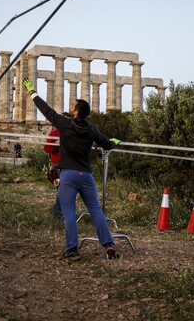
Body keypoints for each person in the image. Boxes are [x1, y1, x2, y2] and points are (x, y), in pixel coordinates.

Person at [22, 78, 121, 261]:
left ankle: (72, 250)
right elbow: (106, 144)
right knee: (96, 210)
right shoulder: (91, 129)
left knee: (69, 213)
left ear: (75, 112)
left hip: (68, 174)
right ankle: (109, 245)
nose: (70, 106)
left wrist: (32, 92)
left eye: (73, 105)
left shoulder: (65, 124)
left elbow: (46, 110)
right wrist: (114, 142)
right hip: (86, 175)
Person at [44, 112, 70, 218]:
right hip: (70, 165)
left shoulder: (55, 132)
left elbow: (47, 149)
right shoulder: (72, 132)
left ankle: (59, 210)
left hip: (58, 164)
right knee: (64, 188)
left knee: (60, 188)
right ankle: (59, 208)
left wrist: (55, 144)